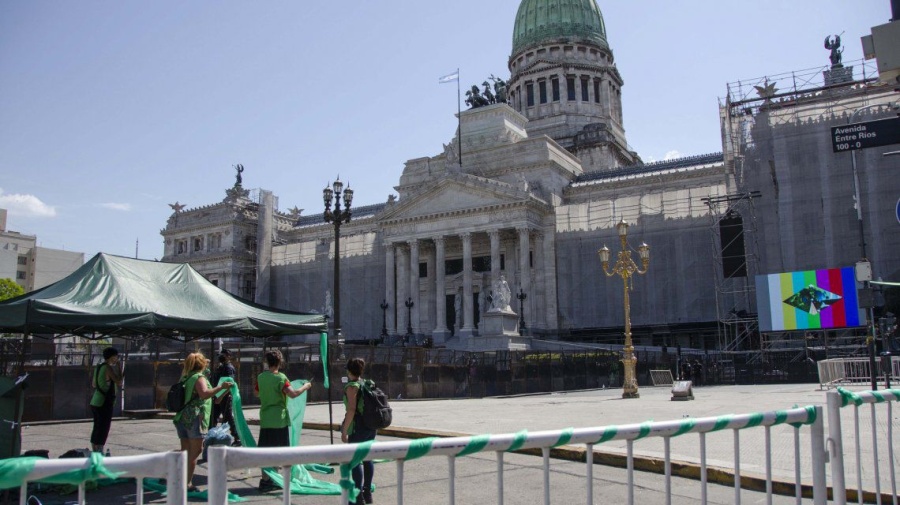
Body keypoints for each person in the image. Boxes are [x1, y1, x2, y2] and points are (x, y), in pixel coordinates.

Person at [254, 349, 312, 493]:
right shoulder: (281, 378)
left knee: (265, 451)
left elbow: (256, 393)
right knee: (279, 451)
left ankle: (265, 480)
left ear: (267, 362)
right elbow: (293, 394)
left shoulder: (261, 377)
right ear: (280, 362)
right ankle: (274, 479)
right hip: (279, 420)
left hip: (266, 419)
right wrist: (306, 386)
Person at [173, 352, 231, 492]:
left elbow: (215, 399)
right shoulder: (199, 378)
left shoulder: (186, 377)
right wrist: (220, 387)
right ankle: (182, 478)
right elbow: (204, 394)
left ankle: (183, 478)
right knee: (196, 450)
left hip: (182, 417)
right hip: (193, 417)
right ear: (202, 365)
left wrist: (223, 390)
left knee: (186, 450)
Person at [341, 358, 376, 505]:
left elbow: (351, 409)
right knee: (368, 458)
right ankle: (367, 493)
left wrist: (344, 430)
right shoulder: (367, 384)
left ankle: (357, 496)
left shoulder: (352, 387)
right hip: (370, 426)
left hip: (358, 427)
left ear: (349, 371)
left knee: (356, 461)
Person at [89, 347, 123, 455]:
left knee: (97, 426)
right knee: (104, 427)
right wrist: (119, 367)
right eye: (116, 356)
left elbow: (94, 384)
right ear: (112, 357)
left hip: (95, 401)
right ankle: (99, 450)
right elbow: (119, 382)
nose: (117, 358)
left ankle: (94, 449)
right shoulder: (108, 368)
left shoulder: (98, 367)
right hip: (104, 402)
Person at [210, 349, 241, 446]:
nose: (221, 356)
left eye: (224, 355)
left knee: (228, 417)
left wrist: (221, 397)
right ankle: (211, 437)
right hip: (217, 395)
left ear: (229, 356)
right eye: (220, 355)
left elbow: (230, 385)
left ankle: (237, 438)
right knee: (213, 417)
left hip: (225, 397)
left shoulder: (228, 368)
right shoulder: (220, 367)